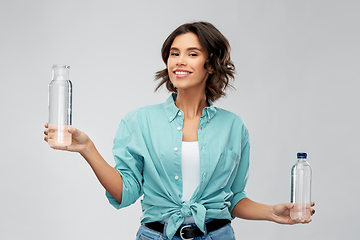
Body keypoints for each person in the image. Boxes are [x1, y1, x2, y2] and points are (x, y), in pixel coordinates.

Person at [44, 21, 315, 240]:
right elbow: (125, 194)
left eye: (192, 54)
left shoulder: (234, 126)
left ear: (211, 64)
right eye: (174, 53)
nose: (179, 61)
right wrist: (87, 148)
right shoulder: (139, 121)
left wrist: (272, 212)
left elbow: (233, 199)